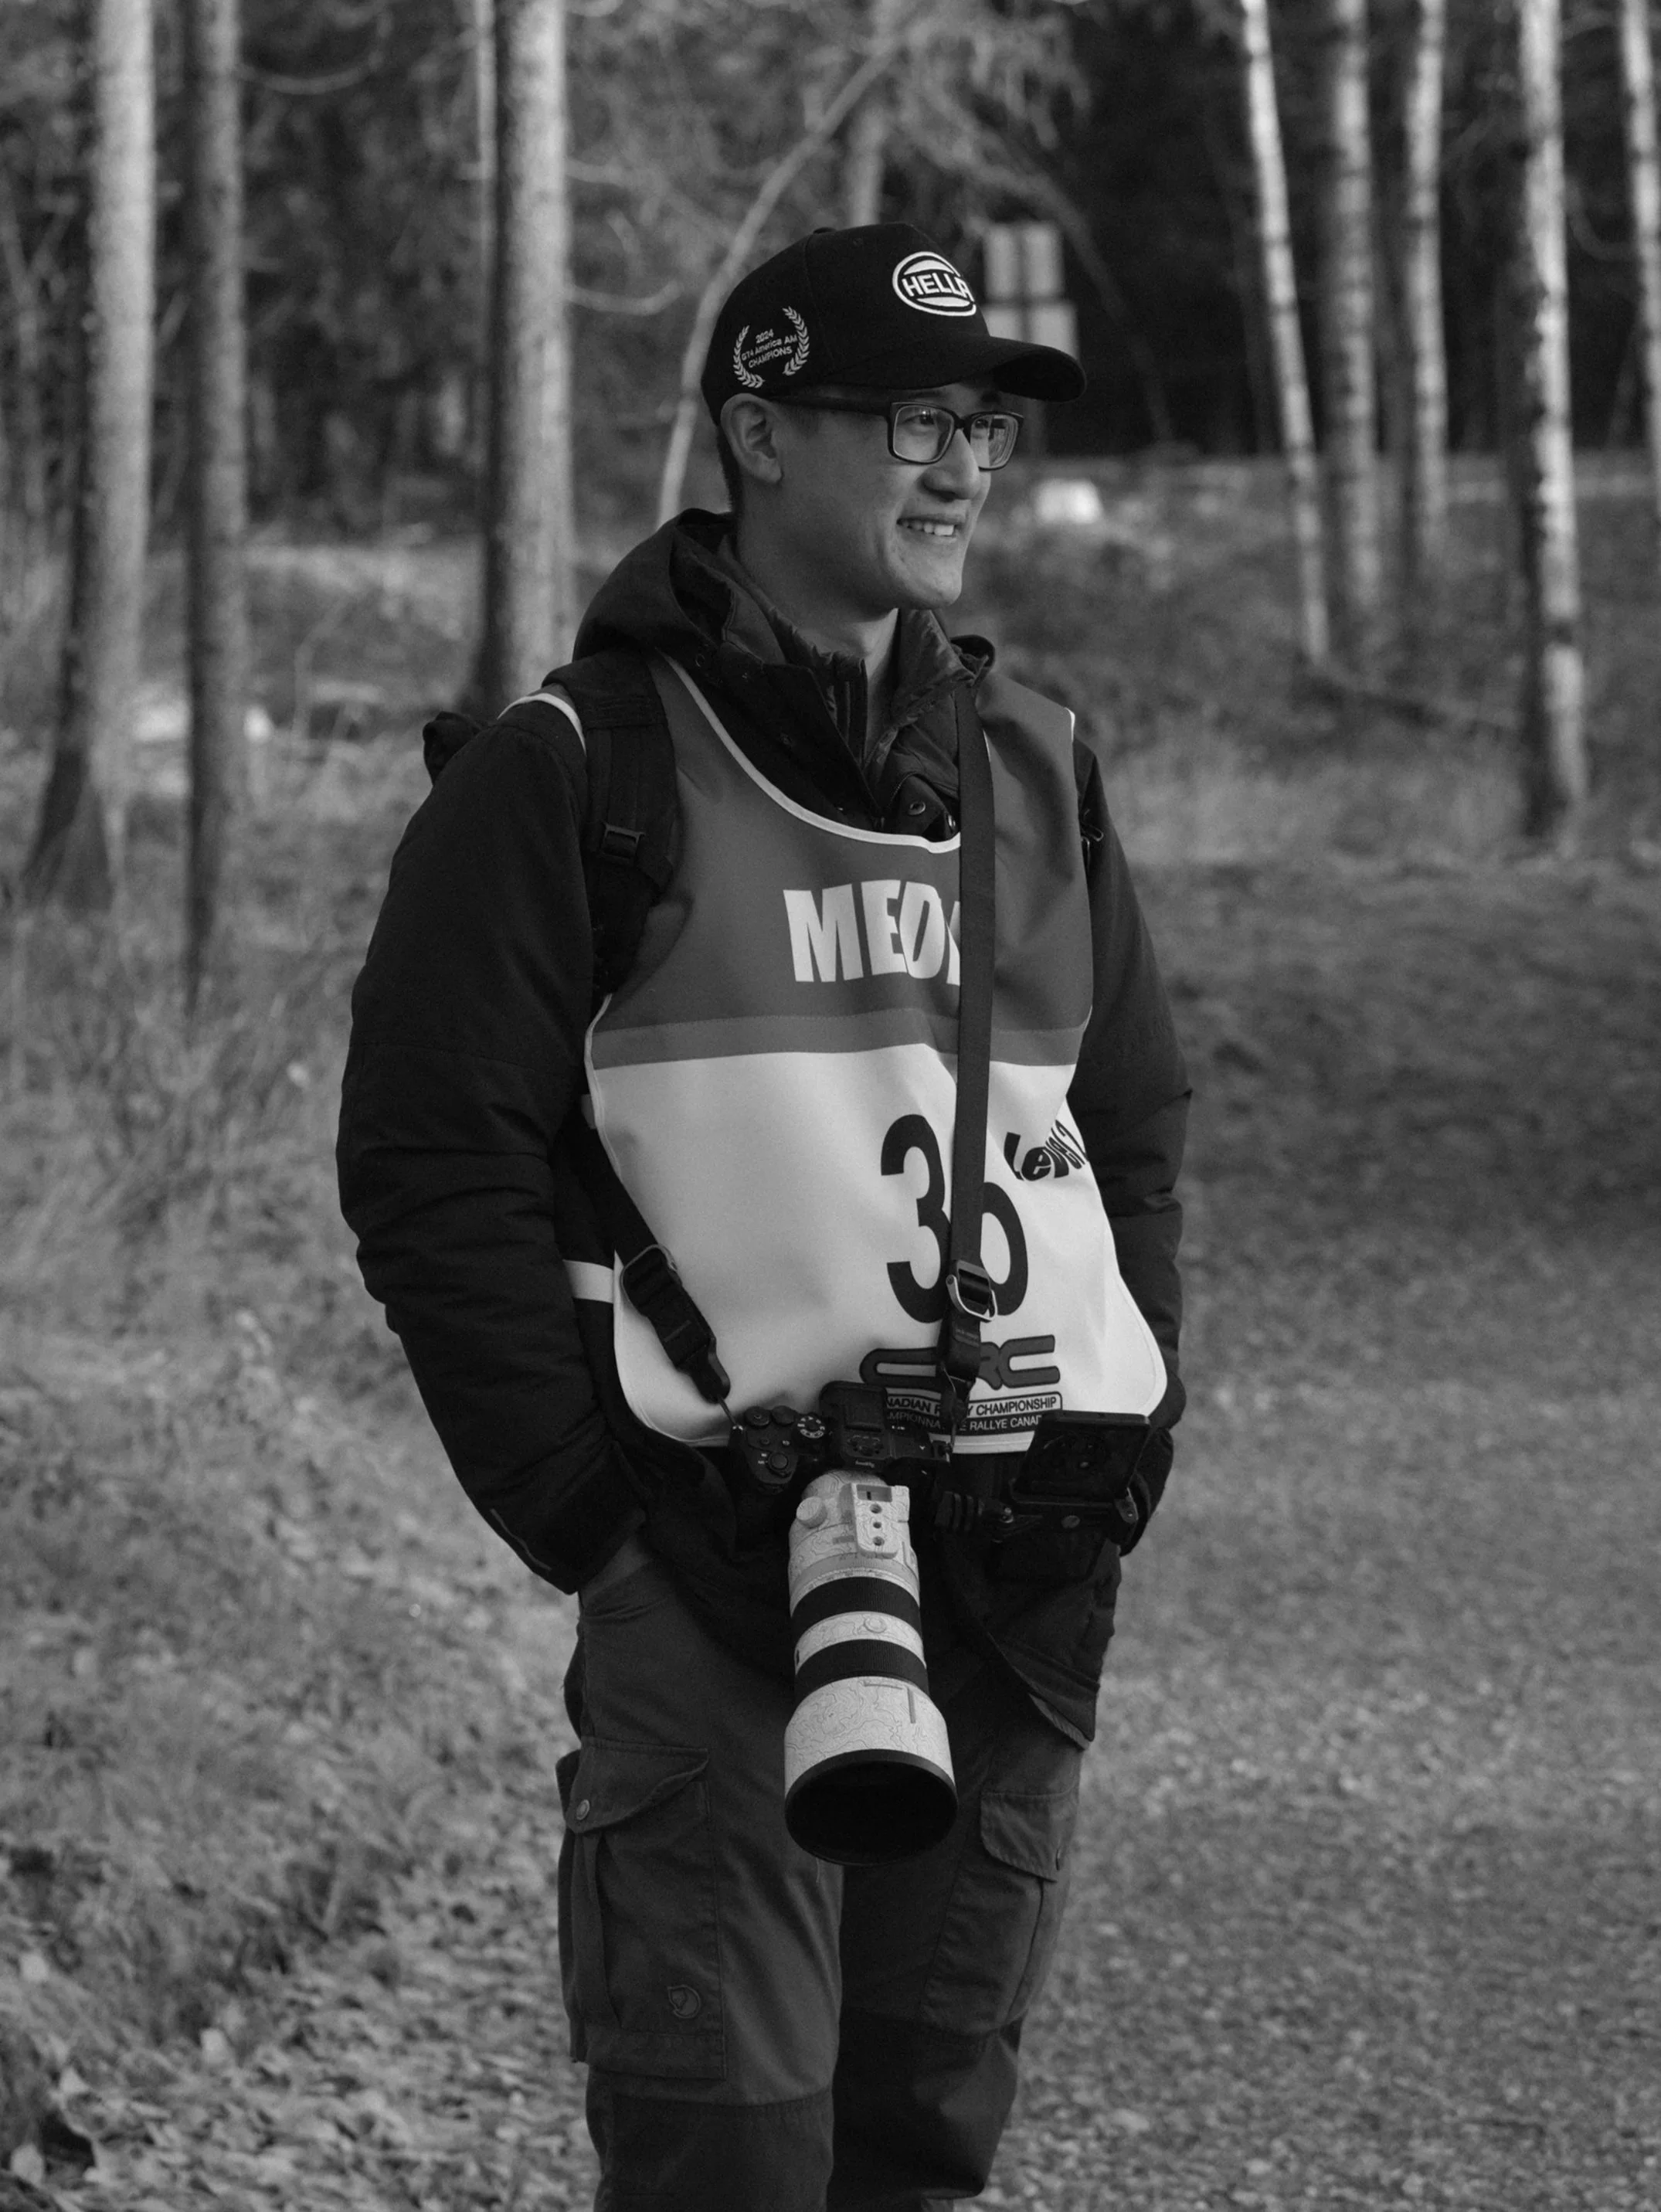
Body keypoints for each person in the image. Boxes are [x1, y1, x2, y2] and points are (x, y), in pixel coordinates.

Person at [338, 222, 1189, 2211]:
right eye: (907, 417)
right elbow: (426, 1158)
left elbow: (1131, 1131)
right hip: (717, 1568)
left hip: (1020, 1564)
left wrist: (1132, 1428)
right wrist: (590, 1519)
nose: (961, 462)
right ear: (755, 433)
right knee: (723, 2161)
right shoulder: (572, 776)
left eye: (978, 420)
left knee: (911, 2150)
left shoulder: (1039, 767)